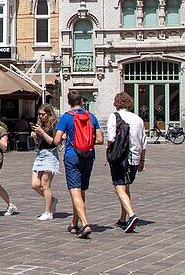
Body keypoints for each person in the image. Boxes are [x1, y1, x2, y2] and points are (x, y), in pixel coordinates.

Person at [53, 90, 101, 238]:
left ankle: (85, 223)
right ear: (82, 101)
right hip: (88, 155)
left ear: (69, 102)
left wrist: (67, 136)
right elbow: (100, 139)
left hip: (72, 155)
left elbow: (56, 141)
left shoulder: (66, 117)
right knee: (81, 191)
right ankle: (74, 222)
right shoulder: (91, 117)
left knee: (75, 190)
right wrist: (87, 142)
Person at [106, 92, 147, 233]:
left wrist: (109, 151)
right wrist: (142, 160)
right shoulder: (138, 119)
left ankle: (131, 214)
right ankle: (123, 219)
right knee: (126, 186)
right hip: (134, 158)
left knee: (119, 186)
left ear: (116, 103)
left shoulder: (114, 116)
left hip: (119, 157)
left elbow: (111, 138)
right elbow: (144, 142)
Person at [30, 104, 60, 221]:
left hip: (50, 154)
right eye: (39, 114)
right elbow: (39, 143)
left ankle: (48, 212)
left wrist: (41, 132)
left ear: (49, 114)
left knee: (45, 184)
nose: (41, 116)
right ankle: (52, 200)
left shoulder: (55, 125)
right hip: (40, 154)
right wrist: (35, 136)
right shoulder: (40, 125)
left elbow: (52, 142)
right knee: (35, 184)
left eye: (43, 114)